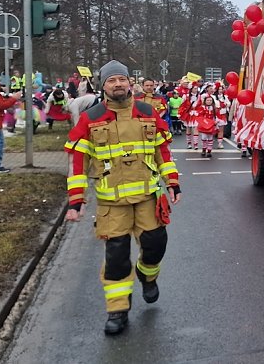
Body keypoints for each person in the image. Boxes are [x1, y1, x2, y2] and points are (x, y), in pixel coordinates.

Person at [64, 60, 181, 335]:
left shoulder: (147, 112)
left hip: (147, 199)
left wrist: (172, 182)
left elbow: (162, 152)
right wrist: (76, 200)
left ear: (130, 82)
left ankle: (147, 275)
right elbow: (77, 162)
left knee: (155, 246)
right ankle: (117, 310)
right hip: (111, 205)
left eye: (122, 79)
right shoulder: (90, 118)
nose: (118, 84)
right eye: (111, 81)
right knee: (116, 258)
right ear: (103, 85)